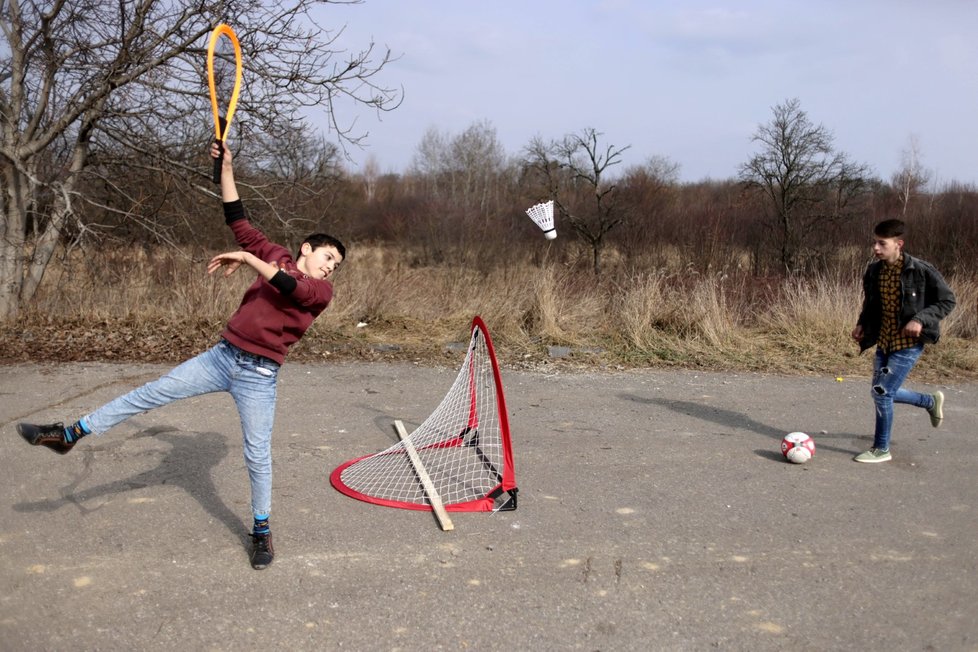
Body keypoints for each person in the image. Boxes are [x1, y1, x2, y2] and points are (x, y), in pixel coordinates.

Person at [17, 142, 346, 569]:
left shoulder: (320, 291)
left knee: (257, 452)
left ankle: (261, 531)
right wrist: (225, 168)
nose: (330, 267)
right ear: (306, 248)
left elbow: (291, 288)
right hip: (222, 357)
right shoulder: (277, 255)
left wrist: (248, 259)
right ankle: (69, 435)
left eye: (336, 265)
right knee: (147, 394)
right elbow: (238, 219)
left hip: (259, 375)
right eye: (327, 257)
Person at [850, 218, 955, 463]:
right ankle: (929, 401)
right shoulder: (874, 271)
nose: (876, 248)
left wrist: (920, 319)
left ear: (899, 244)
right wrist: (862, 324)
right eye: (874, 242)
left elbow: (947, 301)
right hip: (884, 340)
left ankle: (881, 449)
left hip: (908, 343)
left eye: (881, 243)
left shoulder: (920, 270)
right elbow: (871, 304)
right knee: (882, 392)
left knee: (882, 393)